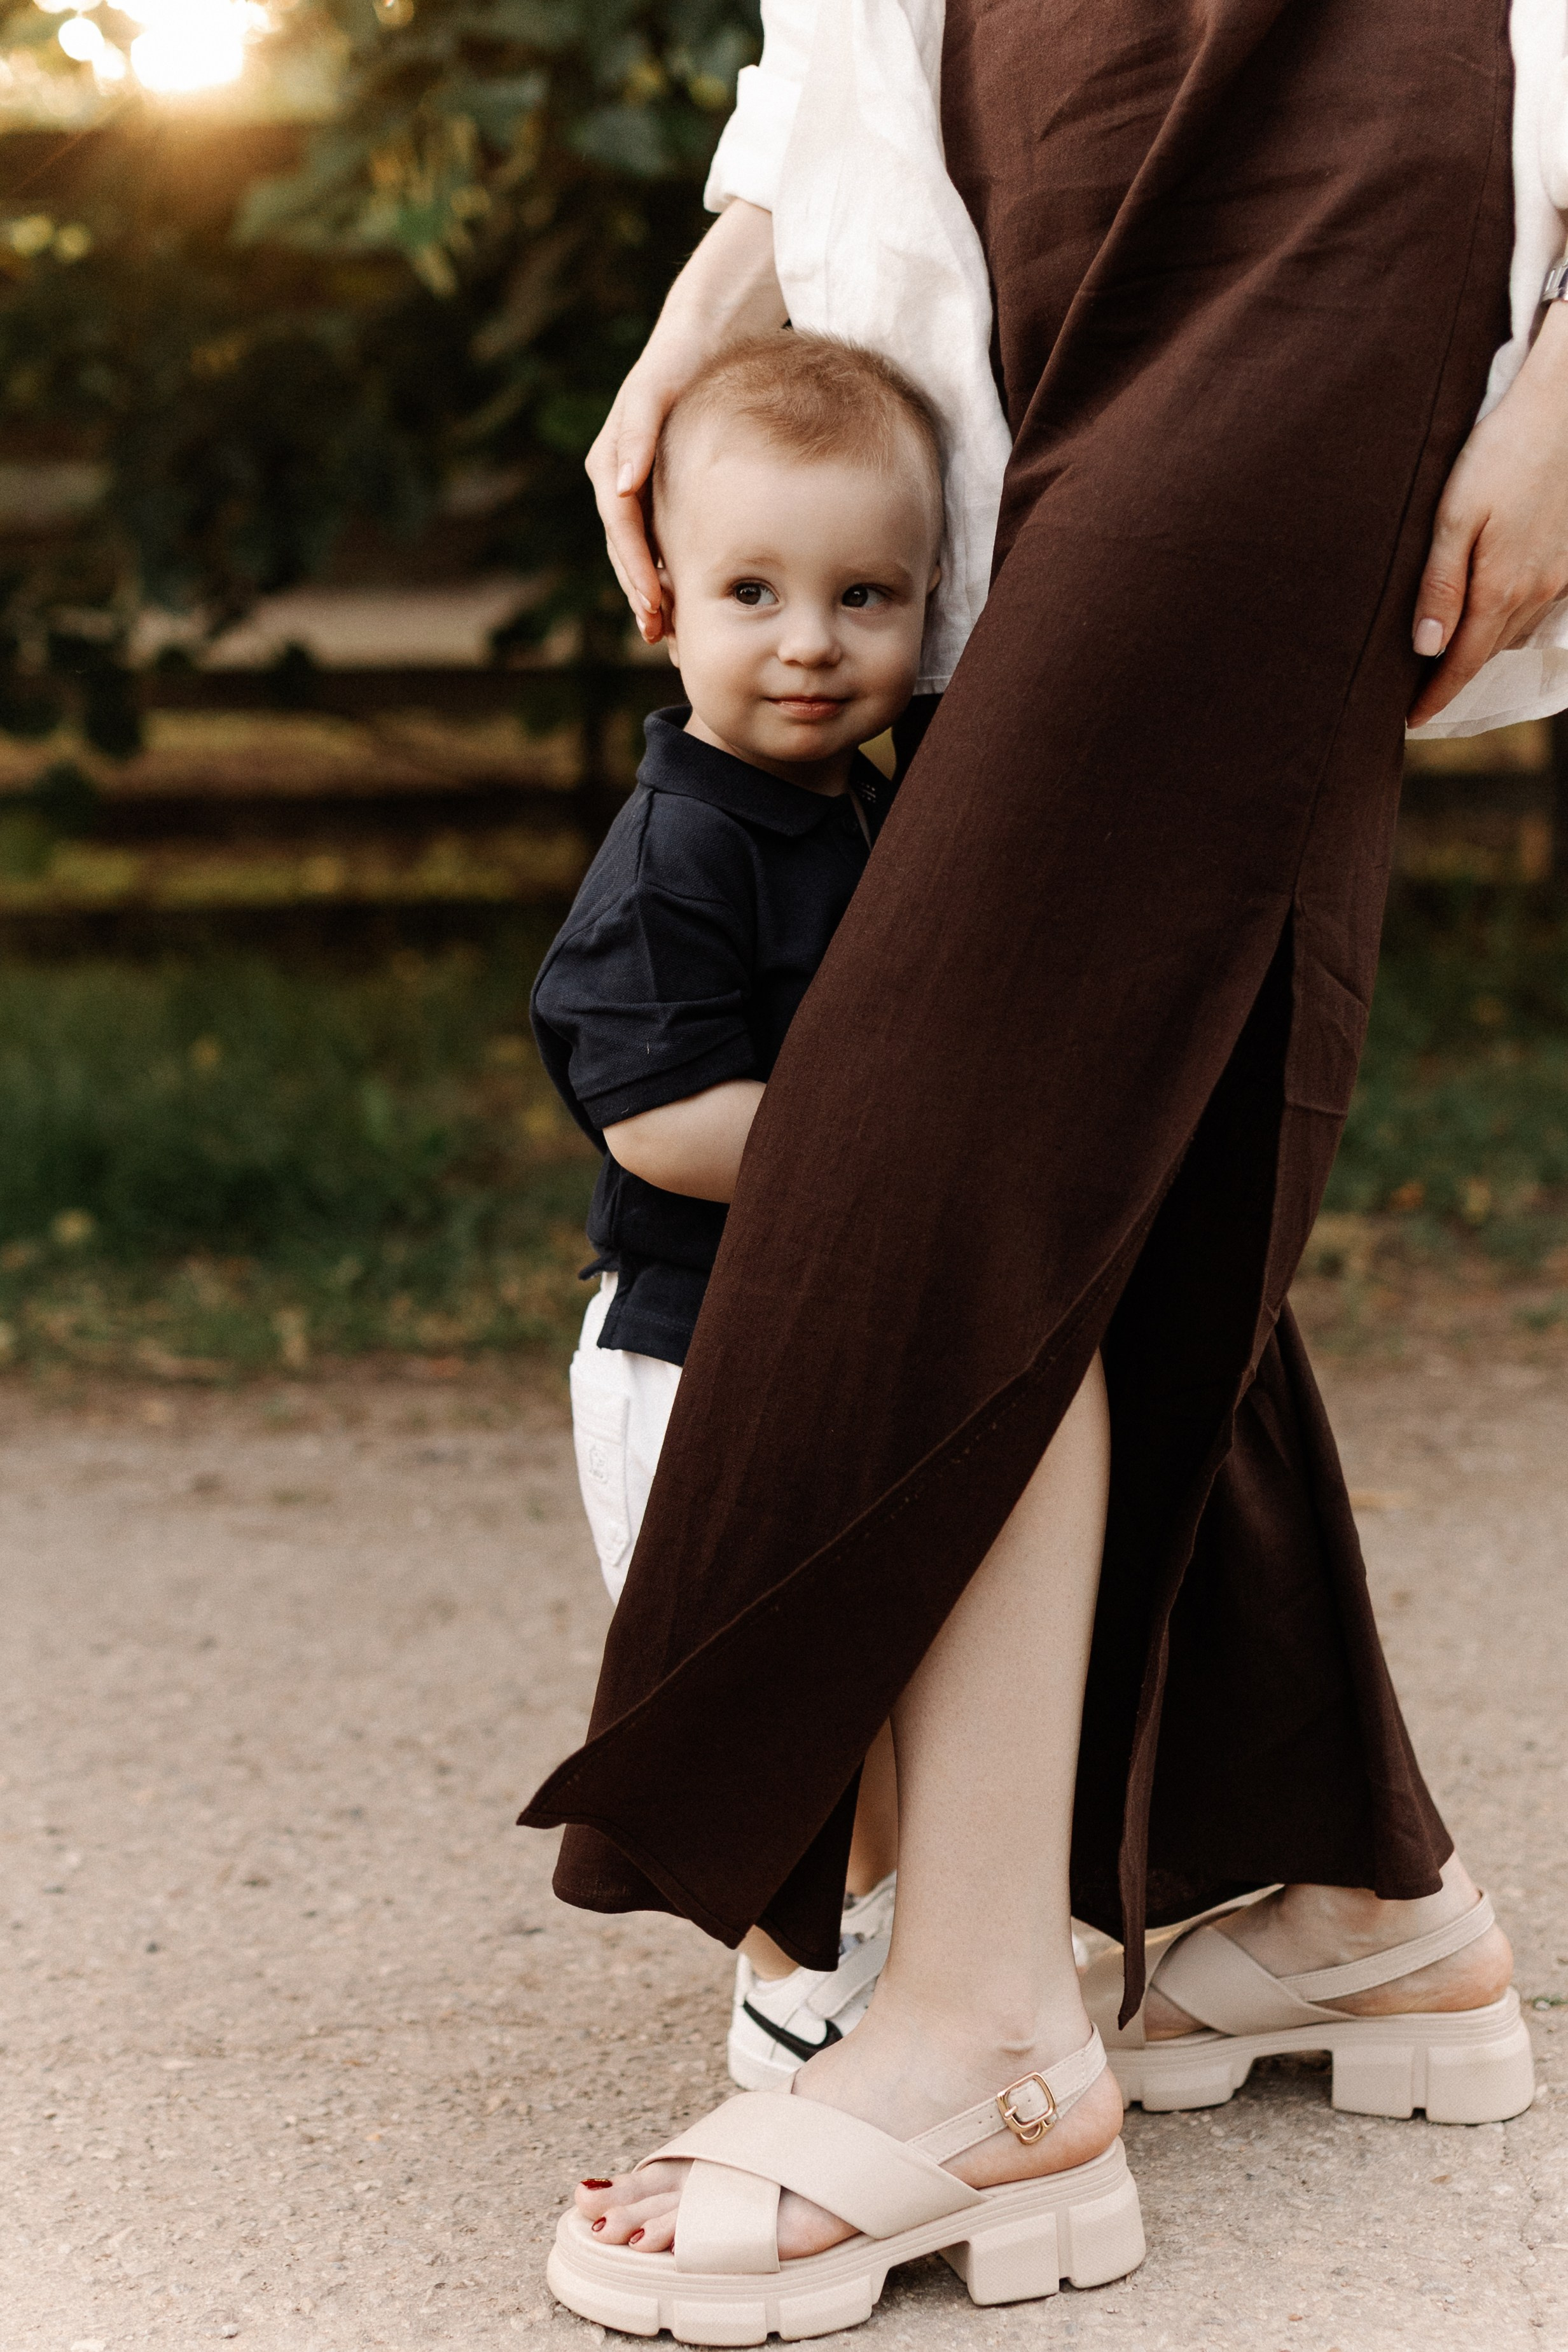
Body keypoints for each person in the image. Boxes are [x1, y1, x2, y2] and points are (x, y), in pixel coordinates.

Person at [524, 0, 1565, 2335]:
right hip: (1018, 120)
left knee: (973, 1052)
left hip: (1341, 101)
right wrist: (743, 255)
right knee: (1136, 1057)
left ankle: (983, 2037)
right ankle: (1328, 1890)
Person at [530, 331, 932, 2089]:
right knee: (747, 1688)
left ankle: (900, 1942)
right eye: (753, 590)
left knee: (879, 1661)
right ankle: (790, 1996)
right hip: (683, 1348)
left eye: (867, 594)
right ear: (665, 607)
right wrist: (906, 1145)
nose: (812, 642)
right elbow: (661, 1121)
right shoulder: (677, 851)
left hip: (819, 1327)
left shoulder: (858, 808)